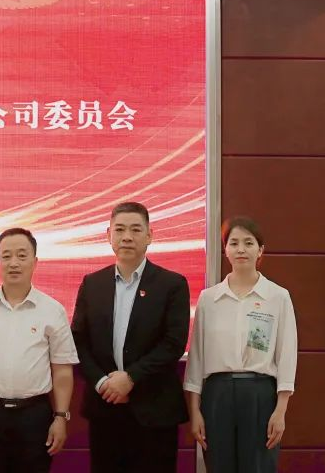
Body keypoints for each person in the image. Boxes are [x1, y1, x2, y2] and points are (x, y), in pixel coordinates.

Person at [70, 201, 190, 473]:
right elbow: (78, 341)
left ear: (149, 236)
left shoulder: (172, 284)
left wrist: (131, 378)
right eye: (120, 229)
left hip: (155, 411)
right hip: (105, 409)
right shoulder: (92, 284)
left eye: (136, 230)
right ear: (108, 235)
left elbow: (173, 344)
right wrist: (103, 383)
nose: (127, 237)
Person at [184, 216, 297, 472]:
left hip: (260, 394)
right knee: (219, 465)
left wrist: (280, 411)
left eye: (248, 243)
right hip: (217, 394)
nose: (241, 249)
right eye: (234, 243)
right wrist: (195, 411)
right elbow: (197, 357)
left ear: (260, 250)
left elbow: (287, 355)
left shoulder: (278, 297)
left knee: (258, 466)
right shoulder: (209, 299)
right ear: (225, 250)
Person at [0, 228, 79, 472]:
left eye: (22, 255)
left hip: (34, 416)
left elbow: (62, 370)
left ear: (35, 261)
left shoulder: (52, 310)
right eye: (6, 256)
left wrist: (61, 417)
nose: (14, 263)